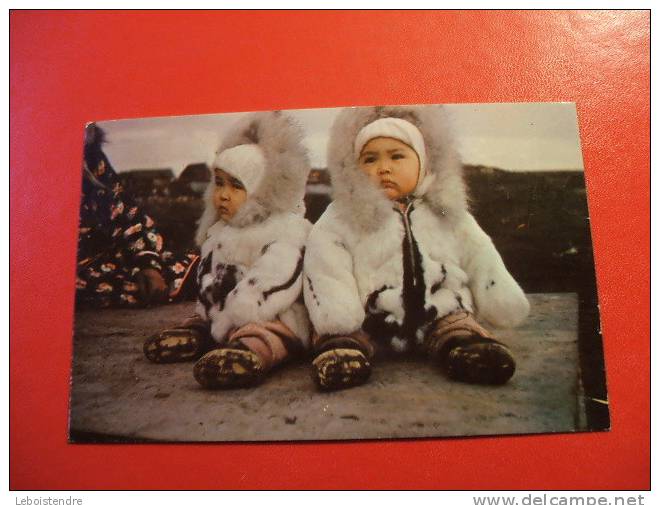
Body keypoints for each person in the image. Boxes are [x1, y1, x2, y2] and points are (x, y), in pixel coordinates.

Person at [303, 105, 530, 391]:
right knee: (343, 338)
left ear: (422, 163)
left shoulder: (445, 212)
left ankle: (467, 349)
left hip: (440, 310)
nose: (383, 167)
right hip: (369, 318)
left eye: (397, 156)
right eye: (370, 159)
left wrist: (499, 296)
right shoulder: (342, 215)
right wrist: (338, 315)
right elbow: (325, 262)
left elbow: (479, 253)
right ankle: (343, 354)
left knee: (459, 323)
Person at [144, 111, 312, 390]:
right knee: (202, 320)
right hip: (225, 316)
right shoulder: (221, 231)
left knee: (267, 334)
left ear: (261, 191)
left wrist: (238, 312)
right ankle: (195, 336)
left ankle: (247, 354)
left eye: (236, 186)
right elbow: (208, 273)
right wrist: (211, 310)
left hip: (271, 312)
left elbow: (278, 275)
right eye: (219, 183)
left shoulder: (286, 228)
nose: (222, 194)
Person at [76, 124, 198, 309]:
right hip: (72, 269)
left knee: (190, 266)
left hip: (113, 257)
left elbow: (128, 215)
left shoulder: (92, 157)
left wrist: (147, 264)